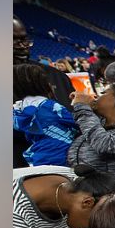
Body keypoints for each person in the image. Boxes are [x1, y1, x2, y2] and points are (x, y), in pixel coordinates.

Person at [14, 17, 78, 168]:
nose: (23, 47)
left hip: (62, 167)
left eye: (24, 40)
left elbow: (74, 117)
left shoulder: (55, 76)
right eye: (14, 41)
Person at [13, 63, 79, 167]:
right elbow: (78, 124)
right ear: (39, 84)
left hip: (39, 157)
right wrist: (82, 105)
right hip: (61, 155)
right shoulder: (49, 106)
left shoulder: (19, 108)